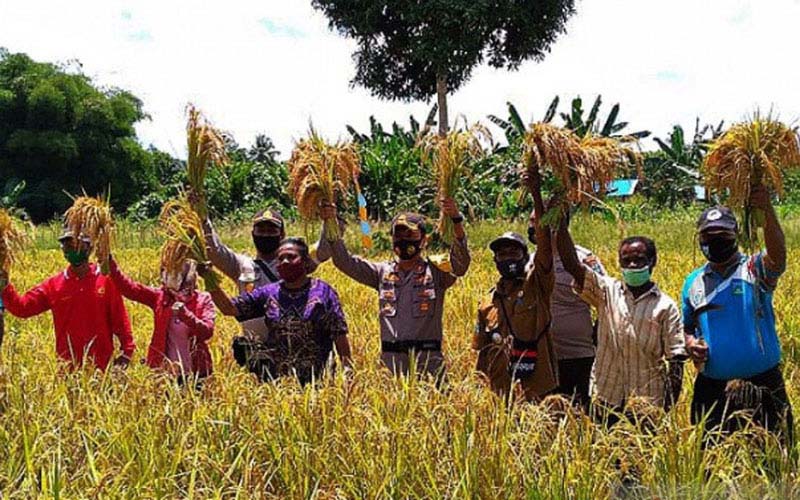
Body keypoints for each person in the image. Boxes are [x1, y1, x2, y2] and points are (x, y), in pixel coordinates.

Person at [683, 188, 792, 444]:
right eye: (708, 236)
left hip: (762, 384)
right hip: (713, 389)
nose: (714, 241)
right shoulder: (693, 282)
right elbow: (688, 326)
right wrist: (690, 344)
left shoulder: (754, 269)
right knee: (713, 463)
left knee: (773, 457)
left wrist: (766, 209)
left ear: (736, 236)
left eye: (722, 235)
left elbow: (778, 256)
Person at [320, 198, 470, 381]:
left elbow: (460, 266)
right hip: (391, 363)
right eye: (398, 236)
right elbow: (345, 262)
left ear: (424, 240)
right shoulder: (382, 272)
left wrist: (456, 220)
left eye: (410, 236)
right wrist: (330, 225)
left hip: (428, 362)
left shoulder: (437, 272)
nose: (404, 241)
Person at [558, 221, 686, 422]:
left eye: (639, 260)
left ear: (652, 261)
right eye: (626, 261)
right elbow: (572, 266)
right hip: (606, 397)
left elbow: (676, 360)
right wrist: (559, 224)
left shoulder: (665, 306)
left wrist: (667, 406)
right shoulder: (606, 292)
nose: (632, 265)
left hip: (648, 404)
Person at [202, 238, 352, 385]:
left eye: (291, 257)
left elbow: (338, 331)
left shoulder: (323, 292)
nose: (285, 262)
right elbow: (229, 308)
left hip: (319, 382)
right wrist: (209, 278)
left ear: (305, 262)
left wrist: (347, 367)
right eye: (281, 259)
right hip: (278, 386)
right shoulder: (269, 292)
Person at [473, 169, 558, 402]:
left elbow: (545, 247)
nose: (508, 258)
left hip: (537, 390)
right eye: (502, 254)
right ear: (495, 261)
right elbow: (482, 351)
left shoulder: (537, 284)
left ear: (525, 255)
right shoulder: (487, 302)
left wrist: (536, 194)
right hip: (501, 393)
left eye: (514, 252)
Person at [0, 229, 134, 371]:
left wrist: (127, 352)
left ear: (89, 247)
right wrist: (5, 286)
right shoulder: (54, 286)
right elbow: (23, 308)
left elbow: (120, 320)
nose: (72, 249)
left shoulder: (106, 280)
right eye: (68, 245)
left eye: (77, 244)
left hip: (103, 370)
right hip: (68, 372)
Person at [528, 203, 605, 409]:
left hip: (579, 352)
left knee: (580, 410)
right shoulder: (530, 260)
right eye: (531, 222)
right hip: (544, 354)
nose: (532, 227)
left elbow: (604, 300)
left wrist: (599, 335)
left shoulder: (583, 258)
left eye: (537, 222)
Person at [108, 256, 215, 383]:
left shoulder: (203, 299)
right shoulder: (161, 297)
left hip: (196, 372)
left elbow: (207, 331)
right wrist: (109, 262)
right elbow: (130, 289)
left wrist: (186, 316)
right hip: (165, 374)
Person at [197, 203, 285, 340]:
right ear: (253, 234)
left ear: (282, 235)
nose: (265, 235)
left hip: (289, 349)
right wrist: (203, 219)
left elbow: (323, 251)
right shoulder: (242, 265)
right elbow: (215, 251)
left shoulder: (293, 264)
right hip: (255, 351)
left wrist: (328, 219)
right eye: (261, 230)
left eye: (271, 230)